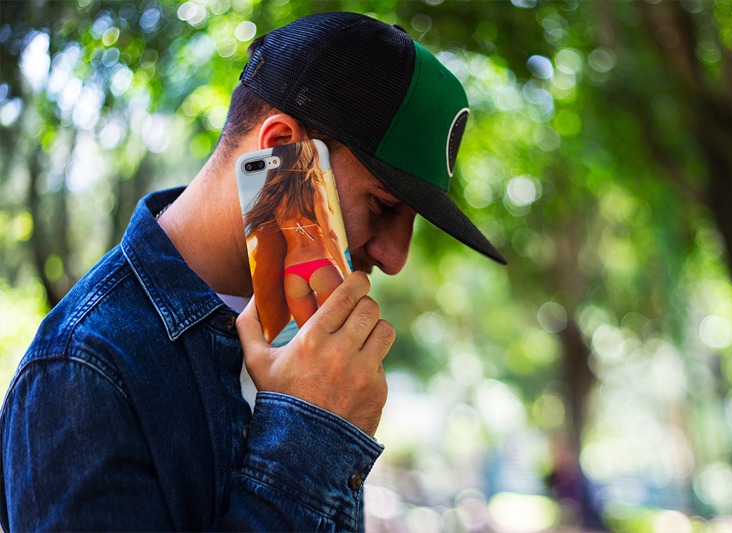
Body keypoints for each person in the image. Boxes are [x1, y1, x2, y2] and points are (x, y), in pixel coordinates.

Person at [0, 11, 506, 532]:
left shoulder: (306, 341)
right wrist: (310, 433)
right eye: (382, 205)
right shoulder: (82, 368)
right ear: (281, 148)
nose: (396, 258)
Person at [245, 141, 351, 337]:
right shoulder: (314, 186)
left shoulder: (274, 194)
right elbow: (330, 234)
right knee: (341, 336)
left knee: (313, 340)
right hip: (322, 266)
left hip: (292, 274)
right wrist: (348, 274)